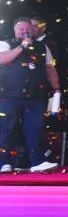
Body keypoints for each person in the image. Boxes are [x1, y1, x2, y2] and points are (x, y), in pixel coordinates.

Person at [0, 18, 61, 173]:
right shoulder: (6, 43)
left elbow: (50, 68)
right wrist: (22, 46)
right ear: (15, 31)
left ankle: (37, 162)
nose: (25, 31)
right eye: (21, 29)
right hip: (9, 95)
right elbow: (3, 59)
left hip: (35, 96)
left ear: (33, 30)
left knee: (34, 129)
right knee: (6, 129)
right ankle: (3, 163)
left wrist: (56, 88)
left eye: (28, 28)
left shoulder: (43, 46)